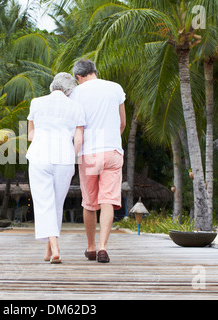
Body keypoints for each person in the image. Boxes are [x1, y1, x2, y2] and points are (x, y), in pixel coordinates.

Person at [70, 59, 126, 263]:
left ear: (78, 77)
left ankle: (91, 247)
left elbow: (76, 128)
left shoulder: (75, 94)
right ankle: (103, 246)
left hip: (89, 153)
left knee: (90, 203)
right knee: (108, 200)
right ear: (94, 71)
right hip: (112, 151)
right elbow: (122, 123)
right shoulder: (115, 88)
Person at [27, 72, 85, 264]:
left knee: (44, 203)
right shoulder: (76, 107)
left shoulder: (37, 102)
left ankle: (55, 247)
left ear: (53, 86)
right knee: (56, 204)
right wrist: (72, 158)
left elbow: (30, 135)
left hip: (39, 157)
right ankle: (49, 249)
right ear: (70, 91)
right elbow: (78, 139)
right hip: (64, 159)